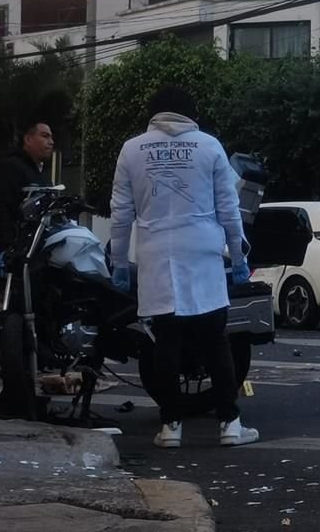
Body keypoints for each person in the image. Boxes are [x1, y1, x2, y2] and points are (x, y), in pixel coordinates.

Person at [108, 85, 257, 449]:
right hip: (203, 253)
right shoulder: (209, 146)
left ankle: (170, 427)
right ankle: (230, 424)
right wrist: (239, 258)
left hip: (156, 254)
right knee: (215, 341)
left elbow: (121, 213)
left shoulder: (132, 150)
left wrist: (119, 263)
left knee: (166, 343)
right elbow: (229, 209)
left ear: (154, 112)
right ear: (190, 112)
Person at [0, 119, 55, 274]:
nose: (51, 142)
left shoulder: (42, 175)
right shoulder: (10, 168)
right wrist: (7, 249)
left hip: (38, 253)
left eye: (51, 137)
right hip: (17, 256)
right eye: (45, 136)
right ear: (28, 139)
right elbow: (0, 208)